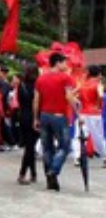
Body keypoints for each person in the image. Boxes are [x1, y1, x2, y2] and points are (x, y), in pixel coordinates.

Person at [34, 52, 78, 191]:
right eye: (64, 62)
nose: (66, 64)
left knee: (47, 148)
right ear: (58, 63)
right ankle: (53, 170)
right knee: (64, 146)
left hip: (44, 116)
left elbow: (36, 100)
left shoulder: (41, 79)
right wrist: (78, 114)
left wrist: (36, 117)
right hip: (59, 116)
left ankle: (50, 181)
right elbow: (69, 97)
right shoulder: (65, 78)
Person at [16, 63, 39, 185]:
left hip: (23, 116)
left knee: (30, 146)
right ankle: (22, 173)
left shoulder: (21, 85)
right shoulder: (37, 86)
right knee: (30, 147)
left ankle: (33, 173)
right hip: (34, 116)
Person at [76, 65, 104, 164]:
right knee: (98, 136)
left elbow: (76, 95)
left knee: (81, 135)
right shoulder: (98, 84)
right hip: (95, 113)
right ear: (98, 74)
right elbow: (100, 96)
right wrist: (99, 105)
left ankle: (78, 157)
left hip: (83, 113)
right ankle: (105, 156)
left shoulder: (82, 84)